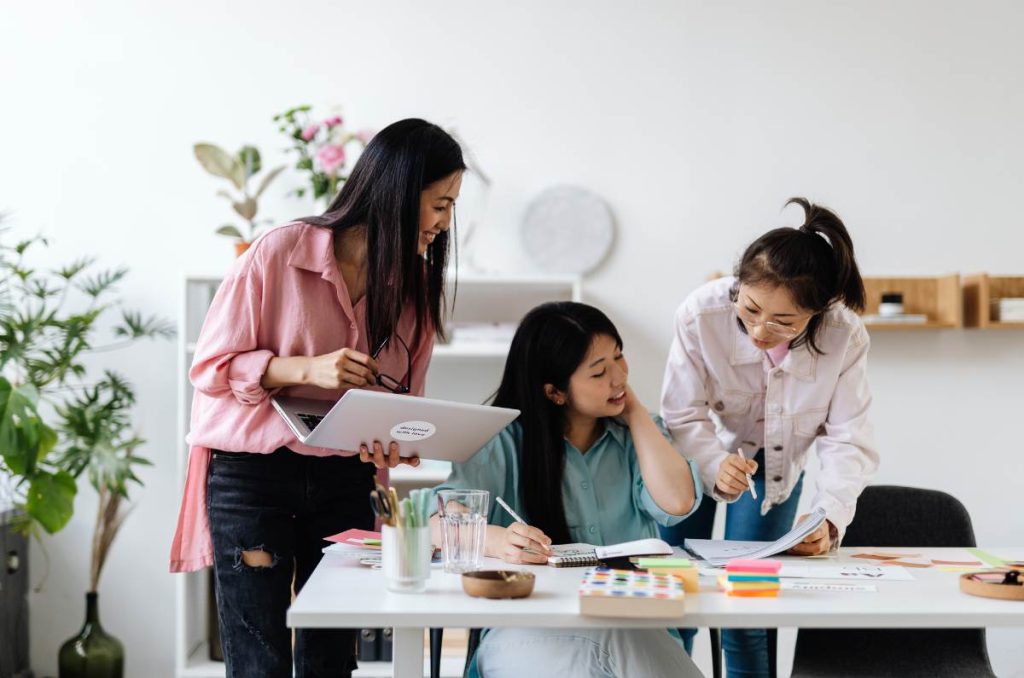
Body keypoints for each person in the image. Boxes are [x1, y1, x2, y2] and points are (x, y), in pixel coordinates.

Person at [169, 118, 465, 678]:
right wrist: (307, 368)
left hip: (343, 482)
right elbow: (209, 368)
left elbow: (403, 405)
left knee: (331, 664)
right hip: (252, 477)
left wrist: (396, 443)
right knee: (259, 661)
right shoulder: (279, 252)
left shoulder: (417, 289)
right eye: (439, 203)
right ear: (399, 192)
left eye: (450, 206)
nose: (445, 222)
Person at [659, 198, 880, 678]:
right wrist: (715, 463)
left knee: (747, 611)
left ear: (817, 314)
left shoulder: (846, 336)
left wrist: (829, 517)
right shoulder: (701, 314)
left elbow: (848, 439)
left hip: (776, 470)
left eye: (784, 323)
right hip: (689, 457)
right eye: (752, 309)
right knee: (673, 602)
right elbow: (681, 412)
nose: (761, 330)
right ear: (738, 284)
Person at [431, 301, 705, 678]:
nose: (618, 377)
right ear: (554, 392)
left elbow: (678, 502)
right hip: (529, 627)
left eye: (619, 358)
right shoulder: (501, 441)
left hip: (633, 621)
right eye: (599, 372)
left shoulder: (639, 436)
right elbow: (439, 520)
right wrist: (495, 539)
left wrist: (636, 412)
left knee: (622, 642)